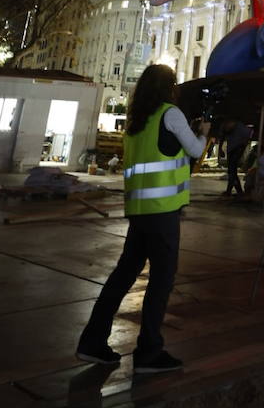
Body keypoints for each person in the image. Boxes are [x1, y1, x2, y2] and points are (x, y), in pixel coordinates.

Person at [76, 64, 210, 374]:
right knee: (161, 280)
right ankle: (149, 351)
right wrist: (203, 132)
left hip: (138, 211)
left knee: (123, 276)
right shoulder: (170, 113)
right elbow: (193, 150)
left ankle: (92, 341)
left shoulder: (138, 120)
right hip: (162, 211)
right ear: (169, 88)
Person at [221, 119, 252, 196]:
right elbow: (222, 137)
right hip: (232, 149)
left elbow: (249, 133)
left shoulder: (240, 127)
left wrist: (243, 145)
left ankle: (236, 191)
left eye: (227, 127)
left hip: (237, 148)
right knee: (232, 171)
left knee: (232, 171)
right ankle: (234, 191)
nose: (226, 128)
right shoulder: (228, 129)